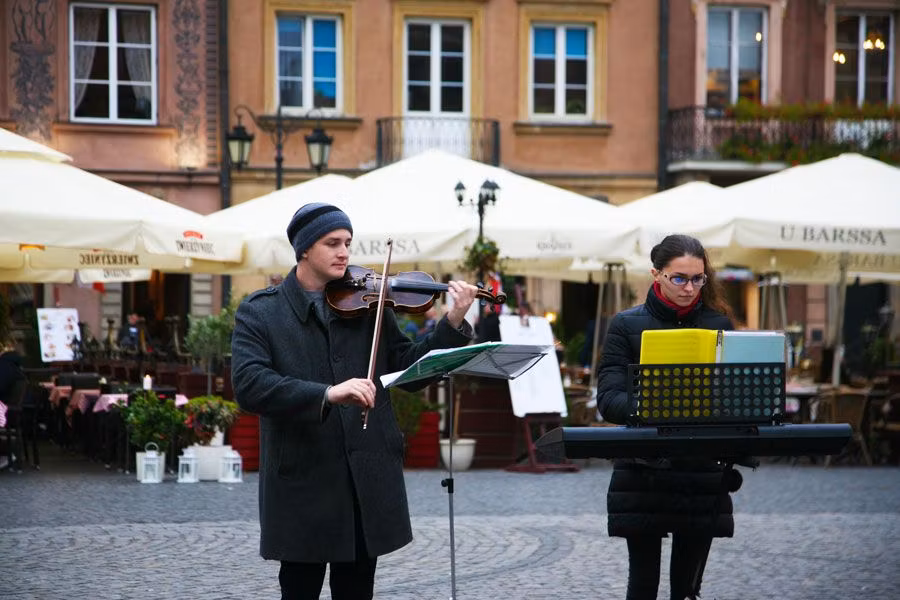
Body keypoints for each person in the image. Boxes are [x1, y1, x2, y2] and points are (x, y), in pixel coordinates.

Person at [230, 202, 478, 600]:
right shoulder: (262, 312)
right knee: (299, 591)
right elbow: (250, 384)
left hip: (363, 479)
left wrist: (451, 325)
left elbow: (407, 371)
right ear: (305, 249)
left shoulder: (369, 304)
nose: (344, 251)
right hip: (303, 480)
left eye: (348, 242)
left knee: (357, 592)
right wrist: (326, 394)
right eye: (332, 243)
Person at [596, 234, 740, 600]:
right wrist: (654, 404)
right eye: (679, 278)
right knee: (643, 584)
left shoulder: (718, 323)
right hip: (645, 469)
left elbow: (733, 394)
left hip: (701, 470)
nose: (689, 287)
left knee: (687, 588)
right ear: (656, 274)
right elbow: (609, 398)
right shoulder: (625, 325)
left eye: (697, 279)